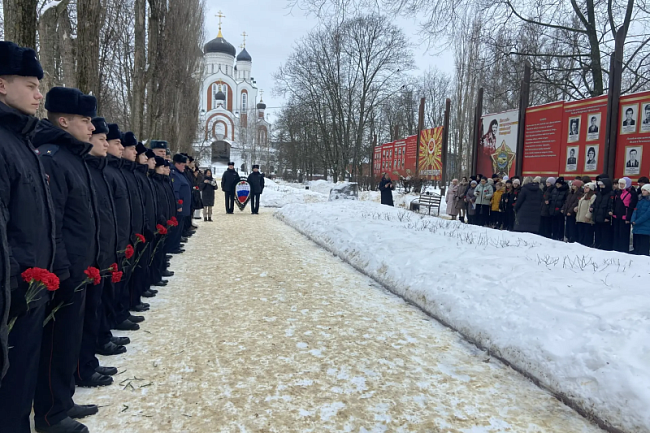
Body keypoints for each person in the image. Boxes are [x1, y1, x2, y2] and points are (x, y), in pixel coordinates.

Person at [33, 87, 99, 433]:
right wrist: (60, 269)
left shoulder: (72, 157)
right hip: (65, 269)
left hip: (77, 267)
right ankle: (51, 415)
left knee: (69, 340)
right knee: (56, 343)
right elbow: (53, 220)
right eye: (85, 120)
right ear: (63, 121)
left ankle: (63, 399)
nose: (91, 127)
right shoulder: (53, 157)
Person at [0, 41, 56, 433]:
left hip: (29, 288)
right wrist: (13, 285)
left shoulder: (22, 142)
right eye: (32, 86)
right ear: (2, 84)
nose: (39, 95)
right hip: (14, 291)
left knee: (20, 387)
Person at [77, 117, 119, 390]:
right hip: (77, 262)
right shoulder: (64, 162)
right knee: (75, 326)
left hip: (99, 253)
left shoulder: (97, 169)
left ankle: (86, 364)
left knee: (91, 314)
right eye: (103, 140)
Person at [169, 154, 192, 251]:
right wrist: (178, 204)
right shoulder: (175, 174)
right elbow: (175, 191)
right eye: (182, 165)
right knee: (176, 228)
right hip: (180, 206)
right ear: (177, 164)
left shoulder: (180, 174)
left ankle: (176, 243)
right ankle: (173, 246)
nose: (184, 167)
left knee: (180, 227)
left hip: (184, 206)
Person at [611, 177, 638, 253]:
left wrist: (628, 218)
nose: (621, 185)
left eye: (622, 184)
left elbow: (631, 206)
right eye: (620, 184)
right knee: (616, 233)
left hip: (625, 217)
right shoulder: (618, 192)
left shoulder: (632, 193)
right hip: (616, 216)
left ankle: (623, 249)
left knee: (623, 234)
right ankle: (615, 248)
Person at [592, 175, 615, 251]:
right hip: (597, 215)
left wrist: (607, 216)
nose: (601, 187)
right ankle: (598, 245)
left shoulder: (610, 194)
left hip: (605, 217)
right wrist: (592, 207)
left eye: (602, 185)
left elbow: (611, 206)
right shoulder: (599, 193)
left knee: (605, 234)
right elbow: (595, 203)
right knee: (598, 232)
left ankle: (605, 247)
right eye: (600, 185)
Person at [575, 182, 596, 246]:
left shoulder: (593, 196)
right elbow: (581, 204)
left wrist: (588, 216)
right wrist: (577, 208)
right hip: (580, 217)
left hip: (586, 219)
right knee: (581, 233)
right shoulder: (584, 196)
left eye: (587, 188)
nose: (585, 189)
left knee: (587, 234)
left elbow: (591, 206)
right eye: (585, 187)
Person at [632, 184, 650, 255]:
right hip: (637, 225)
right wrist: (633, 219)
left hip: (645, 225)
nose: (643, 192)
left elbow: (647, 214)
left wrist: (637, 221)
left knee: (644, 243)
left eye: (645, 190)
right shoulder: (640, 200)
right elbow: (635, 210)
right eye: (642, 190)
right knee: (637, 242)